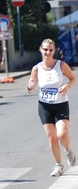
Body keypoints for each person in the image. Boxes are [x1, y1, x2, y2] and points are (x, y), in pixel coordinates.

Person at [27, 38, 76, 177]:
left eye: (50, 50)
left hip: (60, 105)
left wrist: (67, 86)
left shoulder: (60, 65)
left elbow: (73, 78)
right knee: (51, 138)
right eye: (45, 49)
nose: (48, 52)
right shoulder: (36, 68)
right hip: (44, 106)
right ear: (40, 50)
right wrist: (30, 87)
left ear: (54, 51)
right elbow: (32, 84)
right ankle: (58, 165)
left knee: (62, 135)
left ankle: (67, 150)